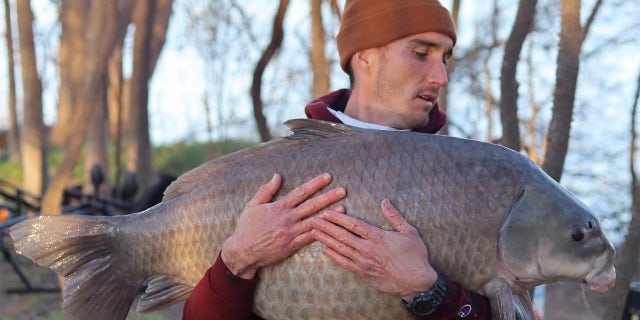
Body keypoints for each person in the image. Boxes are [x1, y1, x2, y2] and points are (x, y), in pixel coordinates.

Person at [182, 0, 492, 319]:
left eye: (445, 57)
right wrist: (236, 259)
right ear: (364, 55)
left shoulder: (469, 179)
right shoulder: (269, 173)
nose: (441, 76)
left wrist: (428, 292)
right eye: (421, 53)